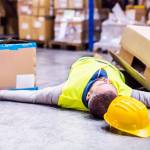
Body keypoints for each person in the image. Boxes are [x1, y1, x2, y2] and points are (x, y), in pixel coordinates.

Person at [0, 56, 150, 119]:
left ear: (87, 96)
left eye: (105, 83)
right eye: (106, 83)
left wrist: (2, 93)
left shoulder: (65, 93)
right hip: (111, 66)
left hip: (83, 62)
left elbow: (33, 97)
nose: (106, 80)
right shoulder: (123, 93)